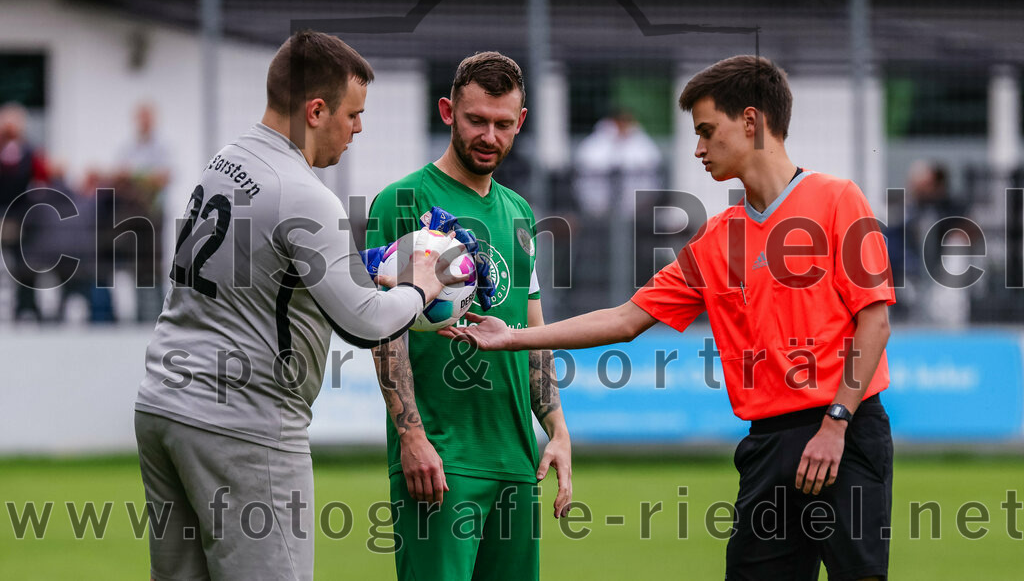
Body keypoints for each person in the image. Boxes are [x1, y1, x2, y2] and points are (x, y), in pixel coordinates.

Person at [445, 56, 895, 581]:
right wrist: (513, 338)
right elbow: (623, 319)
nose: (698, 149)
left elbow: (875, 322)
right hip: (766, 445)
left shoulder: (838, 199)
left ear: (750, 122)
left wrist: (836, 423)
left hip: (844, 430)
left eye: (706, 131)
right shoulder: (715, 240)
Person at [134, 30, 456, 581]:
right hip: (243, 425)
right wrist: (424, 283)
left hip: (164, 407)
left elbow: (274, 269)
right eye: (353, 113)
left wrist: (374, 263)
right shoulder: (304, 193)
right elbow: (367, 321)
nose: (359, 127)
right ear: (316, 110)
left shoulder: (225, 161)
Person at [365, 52, 573, 581]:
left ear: (520, 122)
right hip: (439, 461)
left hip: (516, 460)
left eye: (504, 124)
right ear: (447, 112)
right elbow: (382, 330)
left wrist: (557, 430)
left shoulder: (521, 213)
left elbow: (532, 329)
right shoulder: (402, 201)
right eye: (476, 120)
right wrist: (411, 438)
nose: (490, 136)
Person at [116, 102, 172, 323]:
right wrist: (142, 179)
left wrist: (135, 178)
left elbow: (162, 178)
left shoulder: (162, 147)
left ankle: (161, 318)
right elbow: (120, 178)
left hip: (154, 217)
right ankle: (139, 318)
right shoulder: (129, 148)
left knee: (155, 270)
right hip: (133, 217)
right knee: (136, 271)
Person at [0, 102, 49, 321]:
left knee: (24, 265)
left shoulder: (30, 152)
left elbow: (42, 179)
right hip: (2, 214)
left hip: (23, 217)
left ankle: (26, 306)